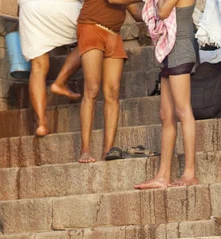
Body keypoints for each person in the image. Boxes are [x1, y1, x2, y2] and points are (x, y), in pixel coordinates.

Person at [134, 0, 199, 189]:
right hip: (169, 51)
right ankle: (163, 175)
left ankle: (189, 173)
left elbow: (162, 12)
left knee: (183, 110)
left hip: (181, 48)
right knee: (166, 115)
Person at [76, 0, 143, 162]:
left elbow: (136, 13)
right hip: (91, 28)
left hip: (114, 34)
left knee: (112, 92)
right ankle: (85, 149)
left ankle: (108, 149)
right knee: (92, 89)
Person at [18, 0, 84, 137]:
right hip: (62, 6)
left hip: (29, 8)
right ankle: (60, 82)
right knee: (91, 38)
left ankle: (42, 123)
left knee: (37, 67)